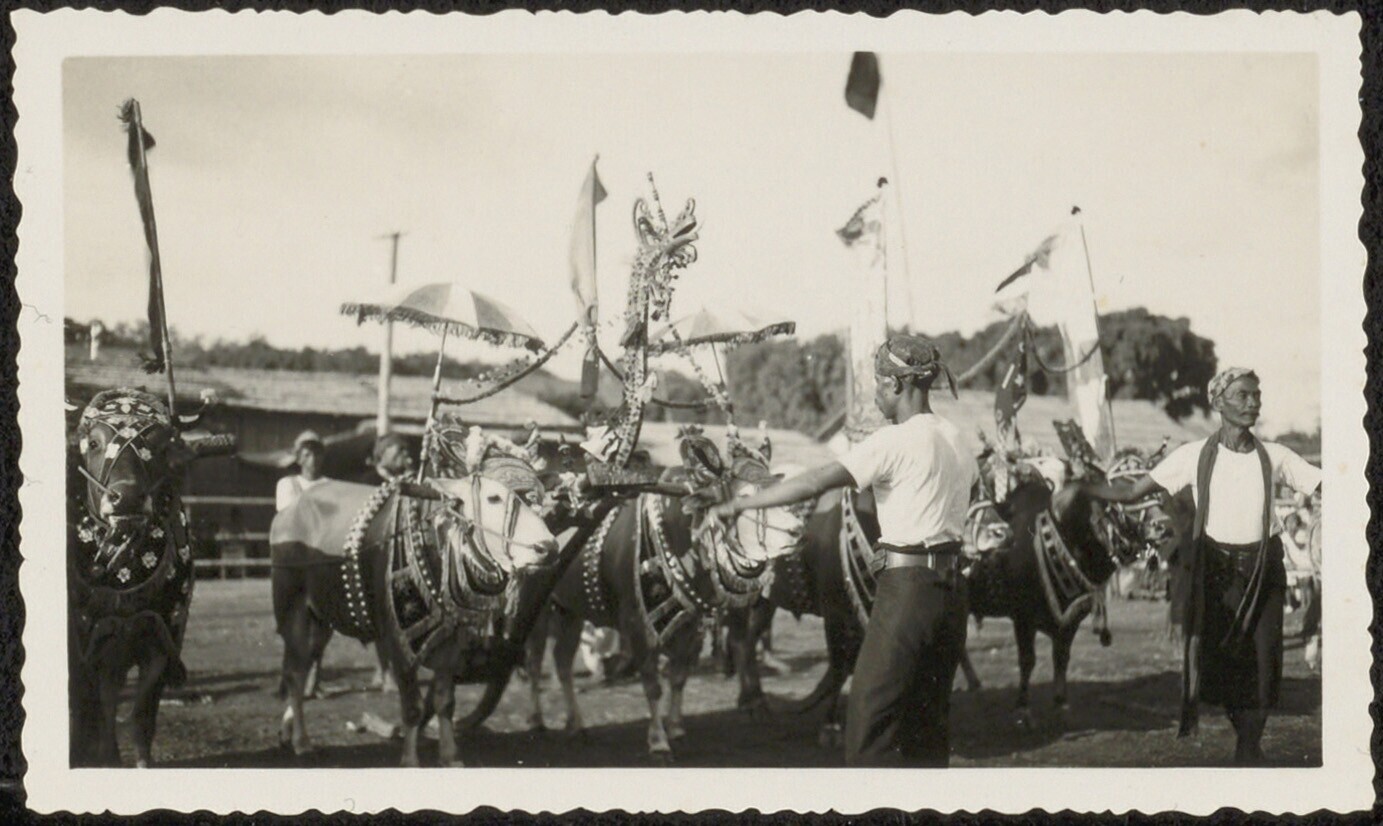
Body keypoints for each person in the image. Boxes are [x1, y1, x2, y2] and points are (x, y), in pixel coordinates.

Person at [711, 335, 978, 767]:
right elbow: (951, 508)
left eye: (878, 384)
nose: (876, 395)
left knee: (868, 733)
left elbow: (814, 482)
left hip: (907, 593)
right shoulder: (957, 438)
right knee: (927, 732)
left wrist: (742, 504)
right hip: (951, 594)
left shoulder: (893, 441)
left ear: (896, 385)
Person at [1080, 368, 1321, 765]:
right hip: (1217, 574)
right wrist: (1082, 489)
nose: (1253, 402)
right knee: (1224, 668)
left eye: (1257, 395)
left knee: (1263, 665)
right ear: (1218, 402)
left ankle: (1249, 746)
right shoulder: (1192, 456)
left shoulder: (1277, 456)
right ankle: (1247, 742)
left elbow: (1329, 483)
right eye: (1243, 395)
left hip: (1265, 572)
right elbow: (1132, 492)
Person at [275, 431, 329, 512]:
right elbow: (286, 515)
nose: (313, 459)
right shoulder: (287, 484)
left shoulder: (330, 485)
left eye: (317, 454)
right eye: (307, 455)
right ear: (299, 459)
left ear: (322, 457)